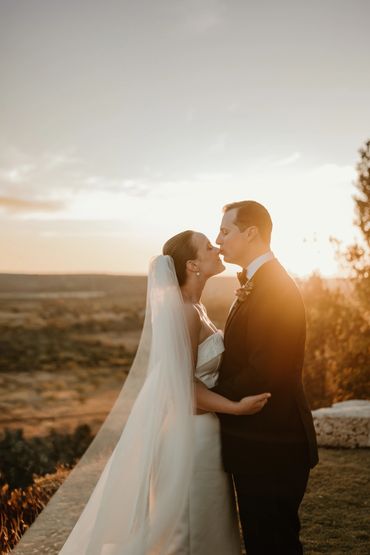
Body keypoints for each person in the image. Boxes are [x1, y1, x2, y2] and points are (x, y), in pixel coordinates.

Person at [58, 230, 271, 555]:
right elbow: (183, 388)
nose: (217, 249)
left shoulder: (195, 308)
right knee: (191, 526)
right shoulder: (185, 313)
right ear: (192, 265)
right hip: (192, 434)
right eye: (208, 247)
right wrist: (236, 408)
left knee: (208, 521)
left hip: (204, 430)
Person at [214, 200, 319, 555]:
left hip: (274, 443)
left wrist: (208, 395)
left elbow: (266, 370)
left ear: (251, 232)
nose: (218, 239)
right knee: (264, 540)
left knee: (273, 543)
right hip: (261, 441)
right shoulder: (259, 282)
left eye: (225, 231)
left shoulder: (274, 287)